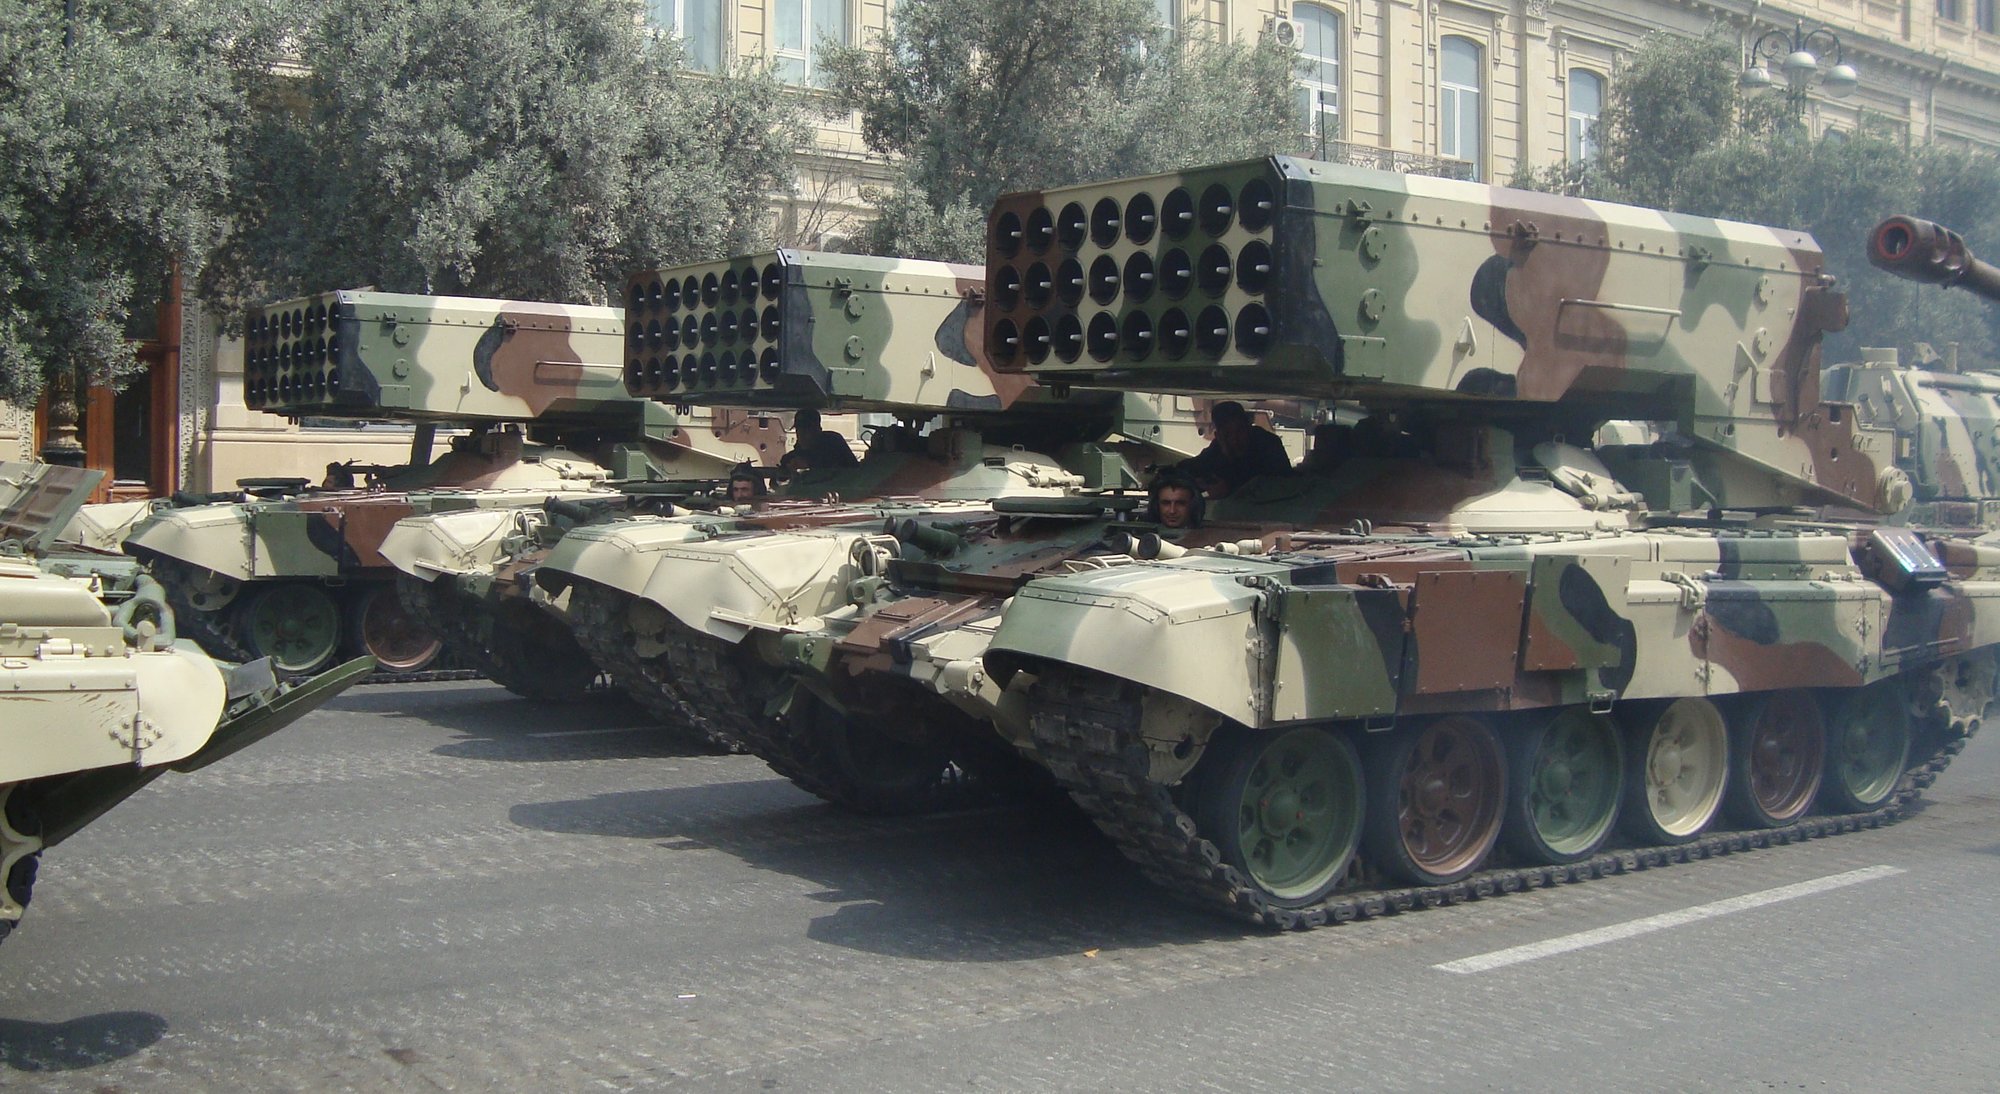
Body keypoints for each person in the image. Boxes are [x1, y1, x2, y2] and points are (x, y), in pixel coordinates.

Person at [1178, 400, 1291, 497]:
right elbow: (1195, 465)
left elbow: (1279, 483)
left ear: (1248, 429)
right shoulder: (1218, 448)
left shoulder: (1267, 444)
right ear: (1218, 436)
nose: (1234, 439)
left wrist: (1231, 488)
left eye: (1239, 431)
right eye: (1227, 434)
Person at [779, 407, 859, 473]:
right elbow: (775, 484)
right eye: (799, 430)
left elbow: (851, 469)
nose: (802, 435)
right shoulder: (792, 457)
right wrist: (786, 471)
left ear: (818, 430)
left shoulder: (833, 445)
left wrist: (809, 464)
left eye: (807, 430)